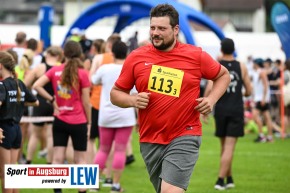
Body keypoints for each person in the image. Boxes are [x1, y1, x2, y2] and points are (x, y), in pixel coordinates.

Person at [110, 4, 230, 193]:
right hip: (150, 138)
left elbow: (223, 75)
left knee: (169, 191)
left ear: (175, 30)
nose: (155, 33)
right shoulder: (136, 57)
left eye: (162, 29)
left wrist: (211, 100)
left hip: (185, 134)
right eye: (152, 28)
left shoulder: (195, 55)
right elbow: (115, 94)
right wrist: (133, 100)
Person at [33, 41, 91, 193]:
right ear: (79, 54)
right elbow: (86, 102)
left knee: (57, 158)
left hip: (59, 119)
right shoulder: (83, 73)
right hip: (79, 121)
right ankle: (82, 190)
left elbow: (36, 85)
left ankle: (57, 191)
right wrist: (89, 122)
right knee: (81, 160)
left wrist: (52, 99)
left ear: (63, 54)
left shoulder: (55, 70)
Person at [206, 38, 252, 190]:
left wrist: (206, 109)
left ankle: (229, 178)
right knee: (229, 148)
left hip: (221, 110)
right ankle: (220, 180)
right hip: (236, 110)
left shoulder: (217, 66)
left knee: (224, 147)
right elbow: (249, 91)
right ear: (233, 50)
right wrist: (241, 93)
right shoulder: (242, 66)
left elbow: (208, 89)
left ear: (221, 50)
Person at [92, 40, 136, 193]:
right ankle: (115, 185)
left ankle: (94, 183)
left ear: (112, 53)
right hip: (125, 115)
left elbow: (93, 80)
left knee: (103, 149)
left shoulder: (104, 68)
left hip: (106, 115)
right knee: (120, 150)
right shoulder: (131, 69)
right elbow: (136, 92)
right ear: (127, 53)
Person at [0, 51, 39, 193]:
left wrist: (12, 103)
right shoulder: (20, 83)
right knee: (13, 173)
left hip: (4, 130)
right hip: (16, 130)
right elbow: (36, 103)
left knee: (6, 174)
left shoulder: (2, 85)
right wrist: (17, 103)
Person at [24, 46, 64, 164]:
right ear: (59, 56)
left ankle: (28, 161)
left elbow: (26, 83)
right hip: (56, 102)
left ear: (47, 54)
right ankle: (49, 163)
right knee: (51, 135)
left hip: (40, 102)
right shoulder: (60, 68)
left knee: (35, 135)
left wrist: (31, 92)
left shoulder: (40, 67)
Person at [252, 58, 274, 142]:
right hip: (260, 98)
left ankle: (262, 136)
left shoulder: (261, 72)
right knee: (267, 117)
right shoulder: (258, 72)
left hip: (261, 98)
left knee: (255, 115)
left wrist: (264, 99)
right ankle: (269, 137)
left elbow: (266, 86)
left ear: (256, 64)